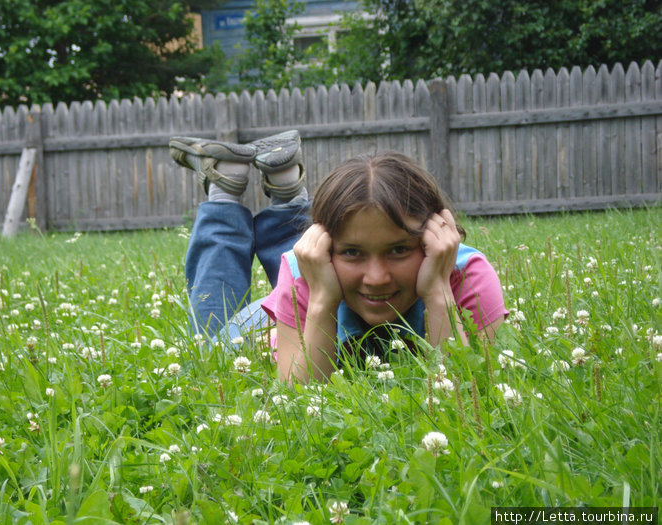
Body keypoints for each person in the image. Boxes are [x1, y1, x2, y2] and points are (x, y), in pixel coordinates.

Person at [170, 131, 508, 384]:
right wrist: (321, 301)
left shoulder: (466, 275)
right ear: (323, 247)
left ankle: (287, 187)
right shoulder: (303, 273)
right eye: (351, 252)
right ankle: (225, 191)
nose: (377, 278)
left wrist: (437, 291)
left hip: (318, 290)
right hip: (286, 315)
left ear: (435, 239)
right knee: (208, 344)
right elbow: (300, 396)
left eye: (399, 249)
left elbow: (473, 390)